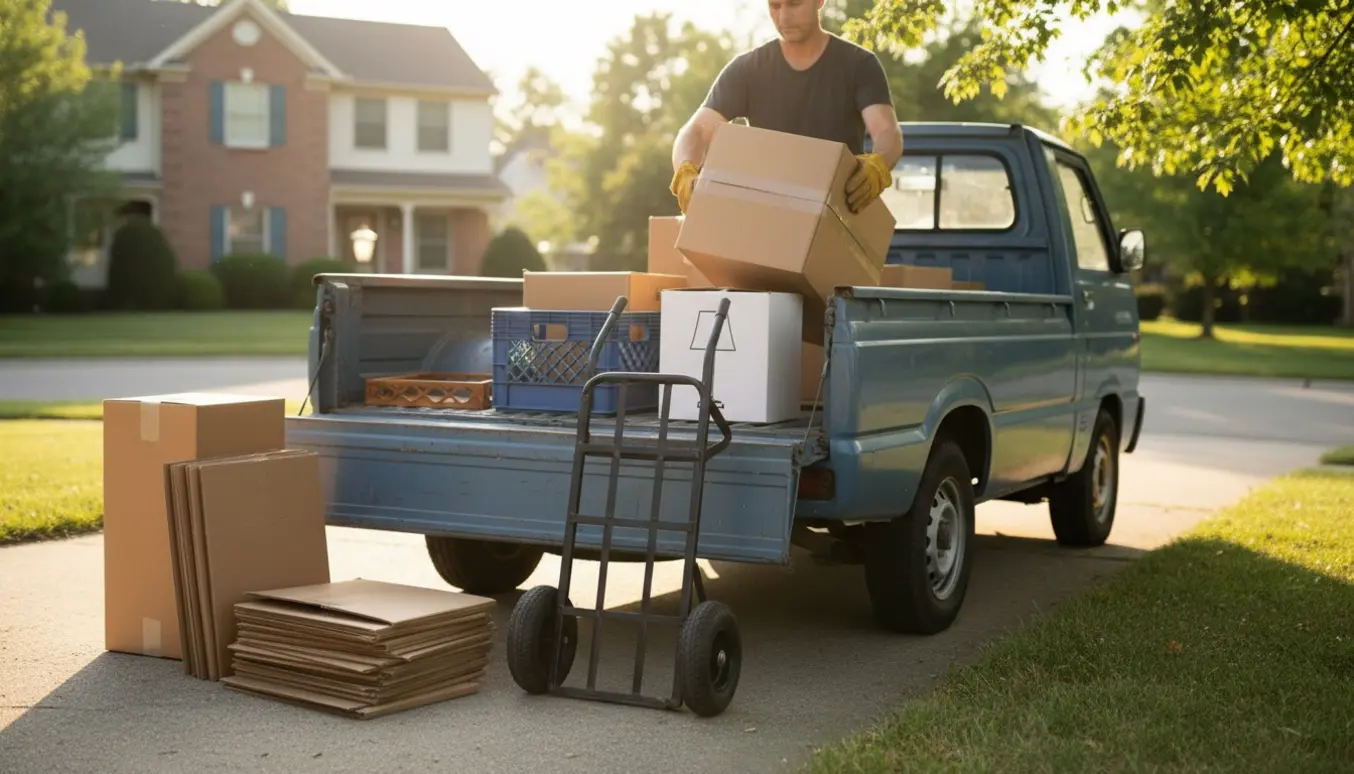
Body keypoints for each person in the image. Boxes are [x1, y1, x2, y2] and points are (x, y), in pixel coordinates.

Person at [670, 0, 903, 215]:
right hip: (767, 216)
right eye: (775, 6)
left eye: (793, 4)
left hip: (838, 214)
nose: (784, 17)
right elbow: (696, 131)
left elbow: (886, 131)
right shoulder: (747, 70)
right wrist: (685, 169)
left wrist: (878, 164)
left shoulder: (858, 64)